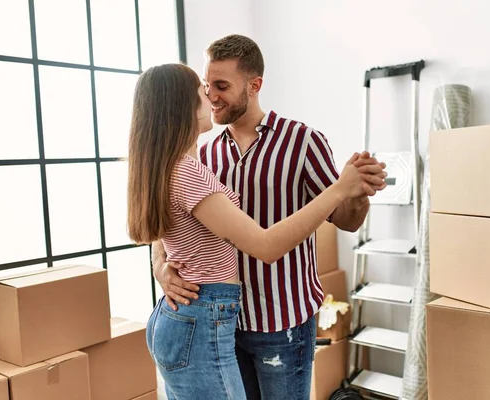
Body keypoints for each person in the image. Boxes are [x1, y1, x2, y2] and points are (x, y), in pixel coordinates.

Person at [127, 63, 386, 399]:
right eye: (203, 89)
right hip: (212, 320)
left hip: (260, 321)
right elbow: (263, 245)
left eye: (219, 85)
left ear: (253, 85)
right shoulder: (195, 162)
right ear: (182, 107)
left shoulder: (301, 141)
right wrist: (160, 266)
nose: (210, 96)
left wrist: (353, 189)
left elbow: (348, 220)